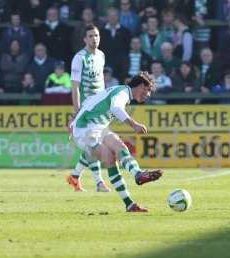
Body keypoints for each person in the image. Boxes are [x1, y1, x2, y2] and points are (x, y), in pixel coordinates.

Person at [70, 72, 162, 213]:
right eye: (148, 90)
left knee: (119, 146)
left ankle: (138, 174)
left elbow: (89, 102)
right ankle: (129, 203)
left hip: (96, 128)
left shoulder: (119, 90)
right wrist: (134, 124)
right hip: (85, 130)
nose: (148, 95)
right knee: (109, 157)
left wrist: (74, 120)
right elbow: (116, 108)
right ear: (142, 86)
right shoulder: (123, 92)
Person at [67, 24, 110, 193]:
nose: (94, 39)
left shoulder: (101, 56)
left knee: (92, 146)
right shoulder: (79, 58)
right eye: (91, 36)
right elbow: (75, 86)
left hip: (100, 108)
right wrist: (77, 110)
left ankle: (75, 176)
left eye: (97, 35)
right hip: (86, 109)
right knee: (94, 145)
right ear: (85, 39)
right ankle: (99, 183)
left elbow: (101, 82)